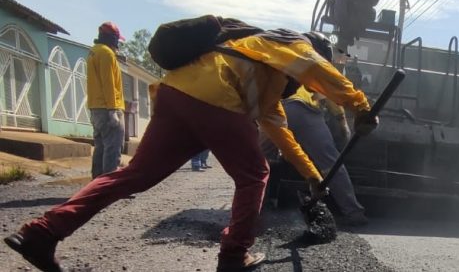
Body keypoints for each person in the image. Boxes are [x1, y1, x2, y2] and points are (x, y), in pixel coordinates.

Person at [4, 26, 378, 272]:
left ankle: (41, 233)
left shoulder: (263, 76)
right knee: (255, 174)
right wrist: (360, 107)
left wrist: (314, 179)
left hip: (174, 95)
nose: (304, 83)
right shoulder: (289, 43)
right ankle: (233, 257)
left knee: (133, 176)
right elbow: (317, 70)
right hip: (215, 99)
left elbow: (284, 138)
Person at [282, 34, 367, 226]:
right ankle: (353, 212)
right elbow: (334, 101)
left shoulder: (289, 60)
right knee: (331, 162)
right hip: (305, 111)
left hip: (278, 110)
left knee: (263, 161)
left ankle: (257, 207)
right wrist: (344, 130)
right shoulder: (318, 70)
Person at [87, 22, 126, 179]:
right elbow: (108, 83)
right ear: (112, 38)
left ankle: (96, 184)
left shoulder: (93, 52)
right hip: (108, 107)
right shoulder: (106, 54)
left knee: (101, 147)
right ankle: (109, 188)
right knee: (113, 147)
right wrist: (112, 110)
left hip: (96, 107)